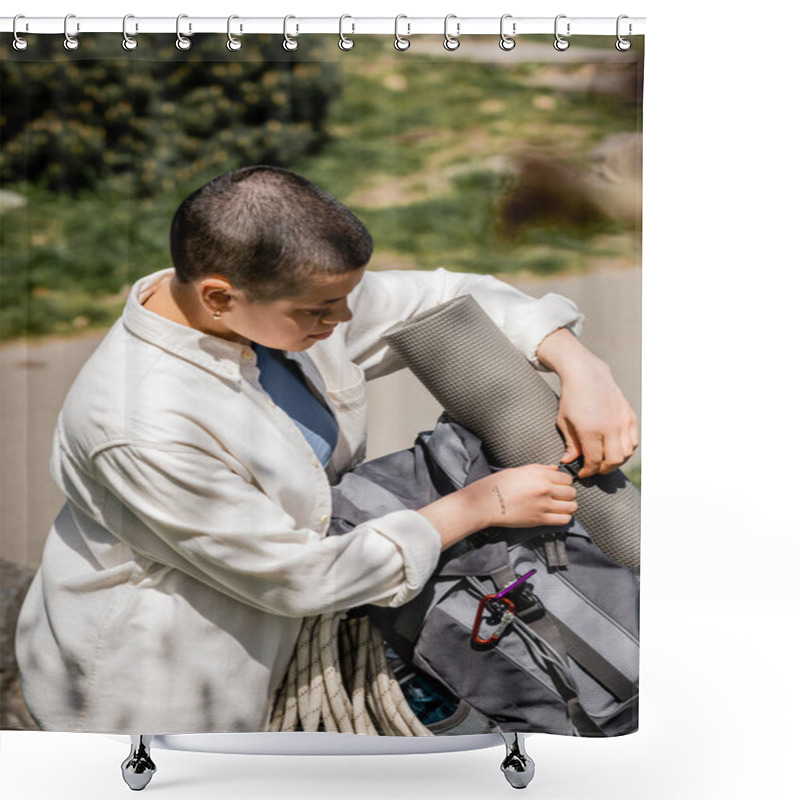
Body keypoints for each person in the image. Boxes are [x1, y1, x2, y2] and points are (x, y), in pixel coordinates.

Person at [15, 165, 638, 734]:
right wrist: (477, 507)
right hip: (168, 684)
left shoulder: (273, 303)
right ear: (218, 296)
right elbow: (297, 577)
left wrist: (581, 368)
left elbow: (454, 299)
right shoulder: (139, 422)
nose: (344, 318)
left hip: (291, 632)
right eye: (320, 308)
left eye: (347, 297)